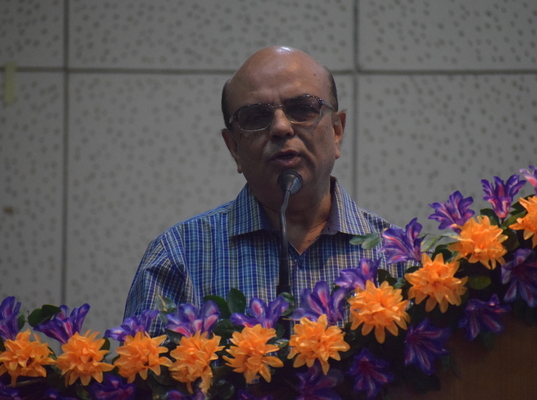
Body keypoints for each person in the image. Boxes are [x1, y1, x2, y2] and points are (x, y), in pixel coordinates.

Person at [124, 46, 404, 329]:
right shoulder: (177, 257)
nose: (281, 127)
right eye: (256, 117)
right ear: (234, 147)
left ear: (336, 131)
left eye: (302, 109)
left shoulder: (397, 258)